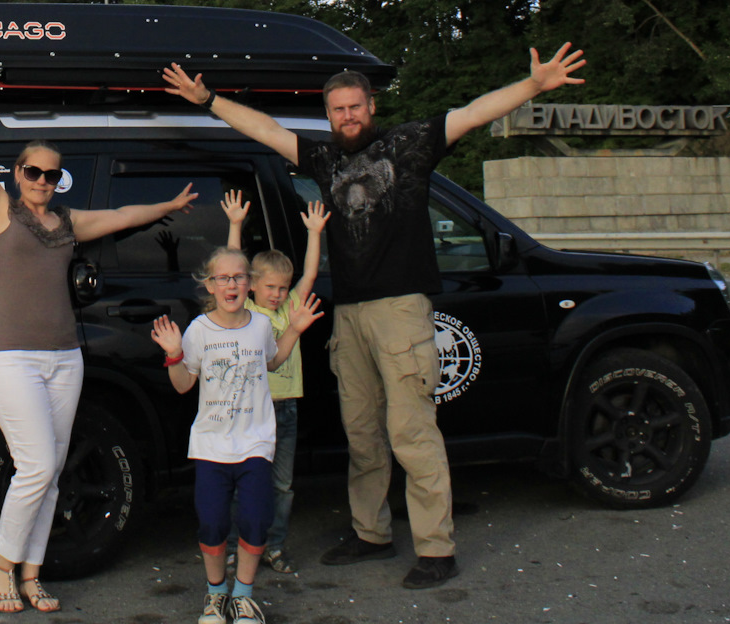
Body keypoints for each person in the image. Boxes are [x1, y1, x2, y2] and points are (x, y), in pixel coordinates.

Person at [162, 43, 587, 590]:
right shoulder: (323, 159)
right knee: (362, 434)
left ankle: (436, 548)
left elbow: (473, 113)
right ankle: (371, 533)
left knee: (412, 433)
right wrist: (208, 99)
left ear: (372, 107)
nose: (348, 116)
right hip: (351, 313)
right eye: (338, 109)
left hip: (400, 310)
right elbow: (265, 130)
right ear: (328, 114)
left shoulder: (409, 145)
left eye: (356, 107)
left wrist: (533, 85)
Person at [0, 40, 202, 614]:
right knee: (37, 465)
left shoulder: (67, 222)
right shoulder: (0, 213)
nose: (42, 181)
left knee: (49, 474)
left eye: (51, 175)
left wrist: (167, 205)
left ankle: (32, 573)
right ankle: (1, 566)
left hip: (64, 359)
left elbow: (121, 217)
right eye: (33, 172)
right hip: (13, 359)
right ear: (18, 174)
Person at [151, 246, 323, 624]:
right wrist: (175, 354)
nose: (231, 285)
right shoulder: (199, 330)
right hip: (212, 445)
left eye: (239, 277)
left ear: (249, 284)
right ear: (210, 285)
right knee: (213, 523)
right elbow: (183, 385)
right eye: (223, 278)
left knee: (256, 519)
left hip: (255, 442)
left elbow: (272, 360)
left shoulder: (260, 325)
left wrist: (294, 329)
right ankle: (216, 595)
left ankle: (243, 597)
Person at [221, 189, 328, 573]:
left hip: (286, 409)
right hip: (253, 409)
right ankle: (234, 547)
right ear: (253, 286)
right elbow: (233, 270)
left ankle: (274, 546)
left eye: (283, 288)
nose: (278, 294)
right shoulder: (247, 309)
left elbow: (310, 274)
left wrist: (314, 232)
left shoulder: (289, 309)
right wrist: (235, 224)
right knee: (246, 482)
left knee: (282, 485)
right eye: (271, 287)